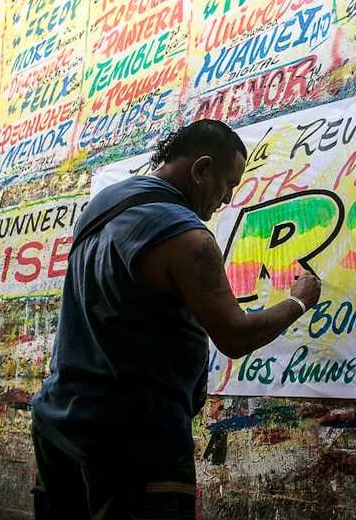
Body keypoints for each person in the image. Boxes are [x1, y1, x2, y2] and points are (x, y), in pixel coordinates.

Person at [31, 120, 322, 519]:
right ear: (202, 170)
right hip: (132, 443)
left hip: (59, 423)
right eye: (228, 184)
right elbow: (234, 336)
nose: (227, 198)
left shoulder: (104, 205)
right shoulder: (187, 238)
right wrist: (298, 302)